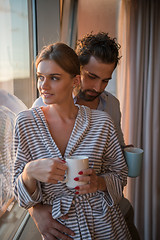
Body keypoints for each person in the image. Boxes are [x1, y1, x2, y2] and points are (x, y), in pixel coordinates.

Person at [13, 42, 131, 240]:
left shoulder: (103, 121)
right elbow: (18, 191)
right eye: (40, 77)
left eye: (54, 78)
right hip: (59, 229)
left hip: (106, 225)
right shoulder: (26, 122)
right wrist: (29, 172)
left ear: (75, 81)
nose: (43, 85)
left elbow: (120, 175)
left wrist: (99, 183)